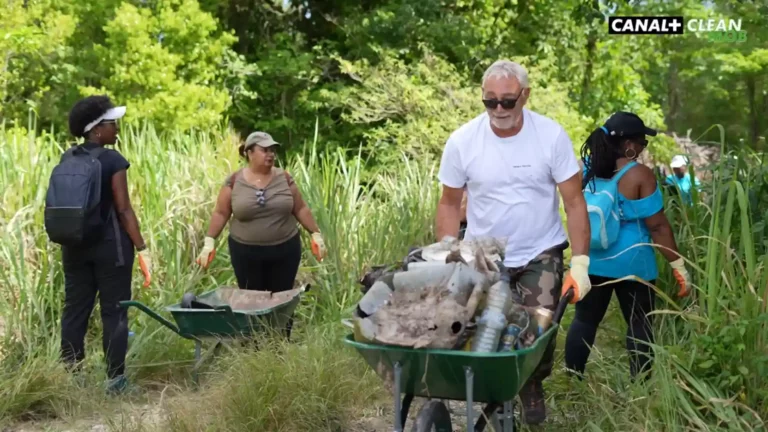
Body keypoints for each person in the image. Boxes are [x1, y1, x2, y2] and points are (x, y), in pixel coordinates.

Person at [435, 59, 592, 425]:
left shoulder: (550, 136)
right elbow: (447, 202)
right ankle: (492, 391)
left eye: (508, 100)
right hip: (484, 253)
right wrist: (447, 254)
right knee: (486, 325)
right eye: (491, 102)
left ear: (525, 95)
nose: (499, 110)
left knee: (540, 329)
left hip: (541, 250)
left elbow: (573, 201)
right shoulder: (463, 141)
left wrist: (581, 263)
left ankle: (532, 383)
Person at [564, 112, 692, 381]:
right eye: (642, 142)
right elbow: (658, 226)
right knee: (640, 323)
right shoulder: (639, 175)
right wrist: (678, 266)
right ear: (627, 144)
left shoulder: (585, 170)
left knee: (585, 321)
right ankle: (641, 386)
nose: (644, 148)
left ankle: (571, 379)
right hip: (635, 264)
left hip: (594, 259)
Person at [59, 95, 152, 394]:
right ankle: (116, 382)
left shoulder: (68, 158)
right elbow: (124, 209)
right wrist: (142, 248)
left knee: (75, 311)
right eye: (113, 124)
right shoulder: (112, 160)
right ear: (97, 128)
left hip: (73, 247)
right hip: (111, 248)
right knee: (114, 312)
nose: (117, 129)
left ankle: (71, 378)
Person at [195, 132, 327, 337]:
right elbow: (221, 212)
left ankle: (281, 344)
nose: (271, 154)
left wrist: (315, 234)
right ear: (249, 152)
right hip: (246, 252)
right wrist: (209, 242)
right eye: (265, 150)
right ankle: (255, 348)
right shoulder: (234, 181)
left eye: (272, 150)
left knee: (283, 299)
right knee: (251, 299)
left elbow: (300, 208)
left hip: (285, 249)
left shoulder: (284, 178)